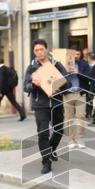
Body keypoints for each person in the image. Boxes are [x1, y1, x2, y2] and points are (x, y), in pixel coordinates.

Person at [25, 39, 67, 174]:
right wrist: (33, 85)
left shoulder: (56, 64)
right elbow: (26, 87)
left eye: (41, 49)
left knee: (59, 130)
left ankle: (51, 148)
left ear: (46, 49)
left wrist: (56, 85)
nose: (39, 52)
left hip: (56, 103)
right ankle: (46, 162)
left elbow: (68, 83)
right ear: (34, 52)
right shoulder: (31, 67)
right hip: (40, 105)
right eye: (36, 50)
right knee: (43, 133)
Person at [63, 48, 90, 149]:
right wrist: (66, 73)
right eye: (74, 54)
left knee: (81, 116)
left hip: (80, 93)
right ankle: (70, 139)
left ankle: (80, 138)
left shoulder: (84, 64)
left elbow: (89, 77)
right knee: (68, 118)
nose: (76, 56)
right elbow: (57, 78)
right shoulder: (63, 64)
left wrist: (78, 73)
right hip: (67, 94)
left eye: (78, 54)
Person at [0, 58, 25, 122]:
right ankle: (22, 114)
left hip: (2, 90)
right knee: (14, 102)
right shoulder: (8, 69)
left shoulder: (0, 70)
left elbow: (1, 81)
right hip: (9, 90)